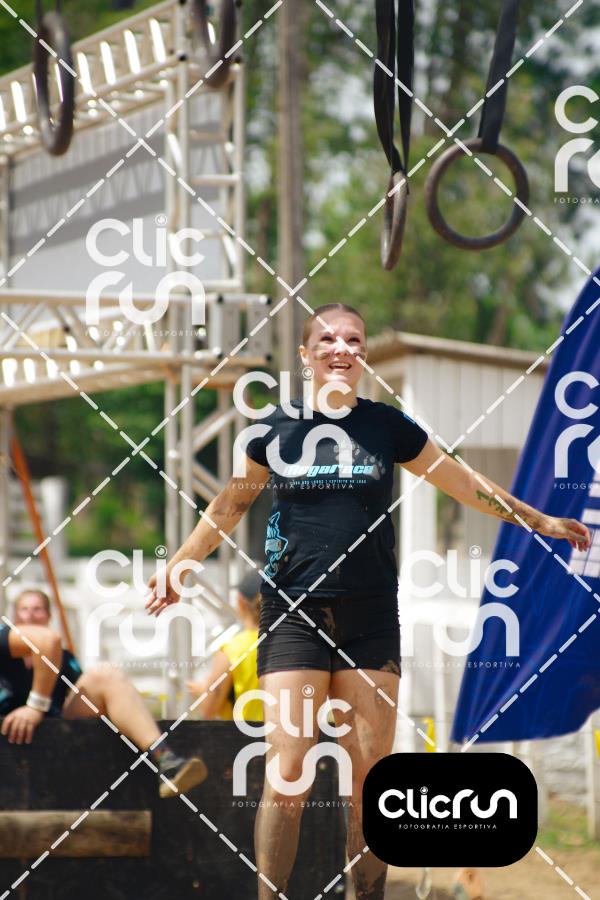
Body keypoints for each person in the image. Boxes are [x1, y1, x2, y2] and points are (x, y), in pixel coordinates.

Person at [146, 303, 590, 899]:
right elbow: (230, 505)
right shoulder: (275, 428)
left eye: (353, 340)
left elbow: (463, 482)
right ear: (305, 354)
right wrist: (179, 564)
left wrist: (539, 520)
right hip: (294, 612)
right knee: (289, 773)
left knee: (369, 782)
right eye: (328, 339)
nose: (341, 349)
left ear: (362, 356)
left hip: (370, 616)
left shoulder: (387, 427)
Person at [1, 587, 208, 798]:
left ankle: (166, 760)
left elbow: (50, 644)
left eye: (37, 609)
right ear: (14, 616)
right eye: (24, 609)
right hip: (8, 747)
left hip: (59, 742)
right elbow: (46, 640)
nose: (30, 615)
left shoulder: (65, 658)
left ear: (48, 616)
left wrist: (35, 707)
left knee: (106, 674)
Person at [186, 571, 263, 721]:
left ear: (240, 603)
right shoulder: (292, 645)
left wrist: (203, 691)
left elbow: (208, 710)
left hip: (243, 733)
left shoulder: (232, 649)